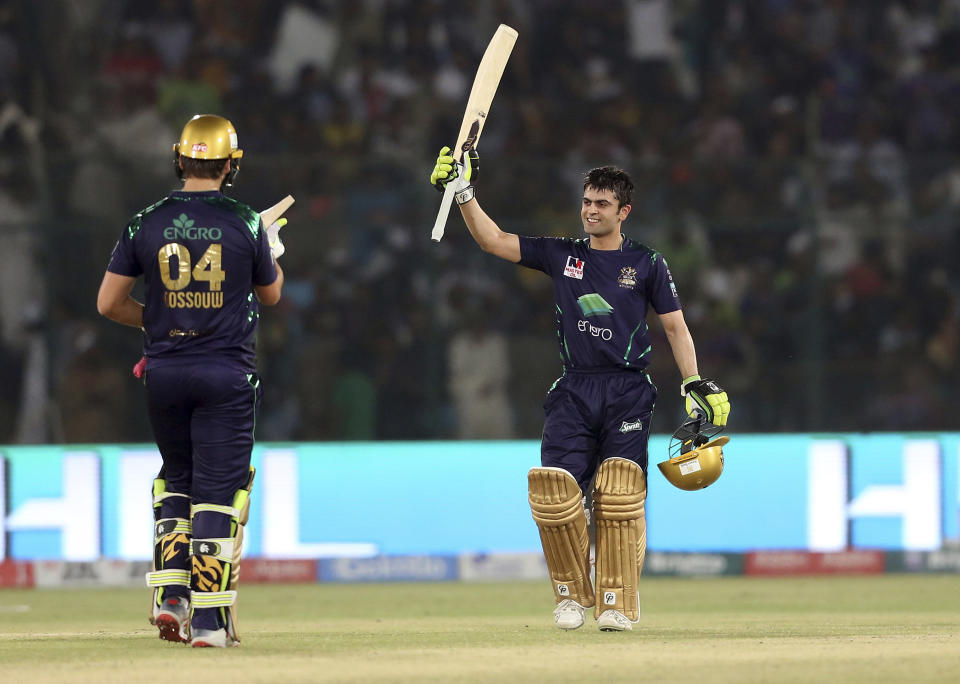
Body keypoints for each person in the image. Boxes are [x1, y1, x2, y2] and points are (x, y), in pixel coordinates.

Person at [430, 147, 730, 632]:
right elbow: (492, 240)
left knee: (618, 493)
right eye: (587, 201)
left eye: (602, 204)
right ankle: (570, 595)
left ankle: (616, 602)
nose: (591, 210)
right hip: (575, 389)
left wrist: (694, 382)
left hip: (628, 390)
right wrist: (463, 193)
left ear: (623, 211)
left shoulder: (648, 263)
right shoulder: (562, 254)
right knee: (555, 492)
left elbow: (675, 327)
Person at [97, 114, 287, 648]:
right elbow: (270, 296)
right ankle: (208, 621)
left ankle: (172, 600)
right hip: (225, 372)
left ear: (180, 160)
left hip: (164, 374)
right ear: (231, 165)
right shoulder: (246, 222)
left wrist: (160, 318)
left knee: (176, 478)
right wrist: (271, 251)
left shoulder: (144, 222)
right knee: (220, 493)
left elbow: (108, 304)